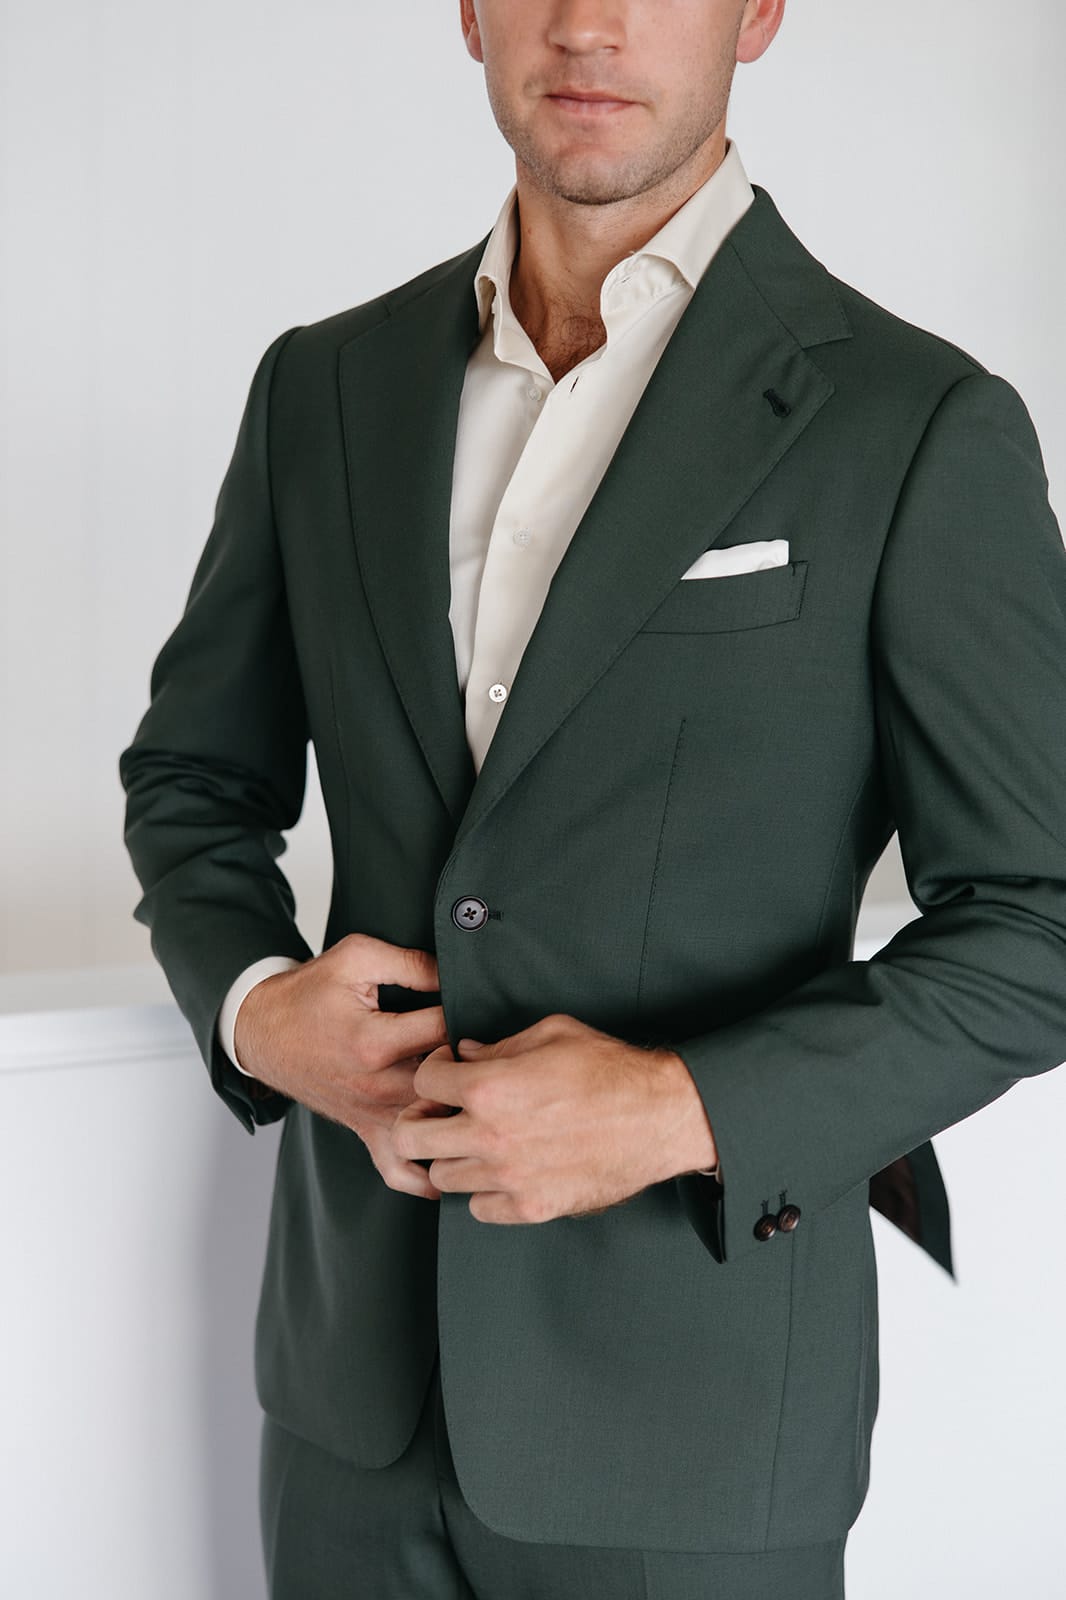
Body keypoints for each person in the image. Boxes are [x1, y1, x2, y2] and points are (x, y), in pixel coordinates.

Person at [119, 1, 1066, 1595]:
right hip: (353, 1403)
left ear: (756, 13)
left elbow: (1036, 923)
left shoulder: (914, 423)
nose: (589, 24)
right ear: (469, 13)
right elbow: (193, 778)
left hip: (692, 1420)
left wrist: (674, 1109)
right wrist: (254, 1007)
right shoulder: (324, 386)